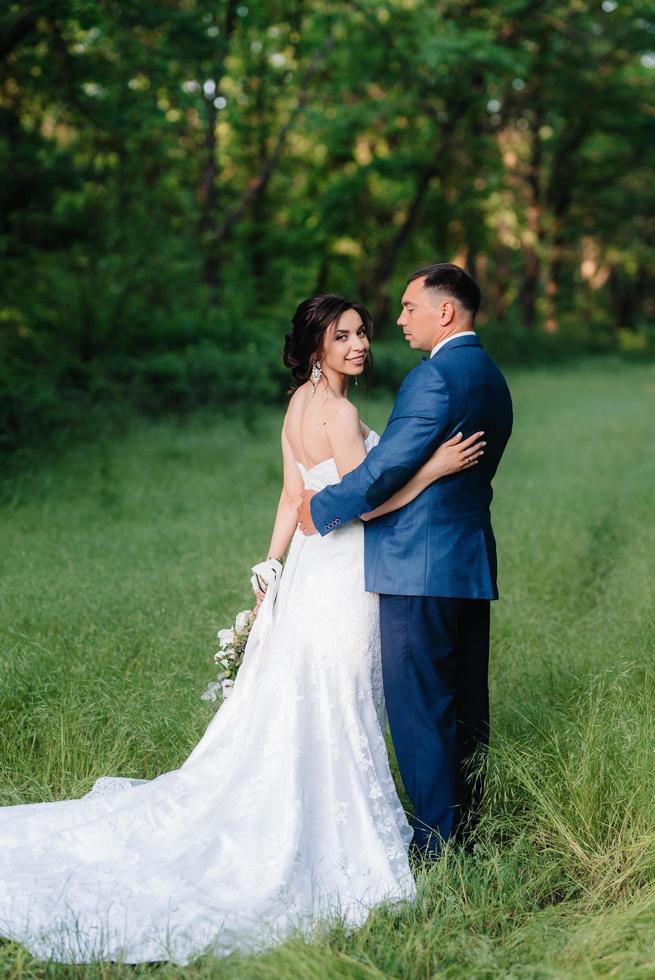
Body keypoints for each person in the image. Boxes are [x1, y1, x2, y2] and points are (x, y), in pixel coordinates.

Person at [0, 293, 483, 965]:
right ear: (316, 346)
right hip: (345, 574)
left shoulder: (296, 406)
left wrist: (270, 568)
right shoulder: (339, 413)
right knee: (341, 703)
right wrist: (433, 467)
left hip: (312, 570)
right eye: (342, 336)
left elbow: (292, 496)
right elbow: (364, 504)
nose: (360, 345)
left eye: (362, 333)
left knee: (307, 698)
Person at [298, 264, 513, 857]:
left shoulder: (435, 378)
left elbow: (384, 468)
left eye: (409, 306)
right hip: (467, 560)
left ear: (445, 311)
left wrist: (322, 510)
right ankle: (467, 829)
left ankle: (438, 846)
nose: (398, 319)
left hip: (417, 564)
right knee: (465, 703)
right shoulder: (490, 376)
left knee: (421, 708)